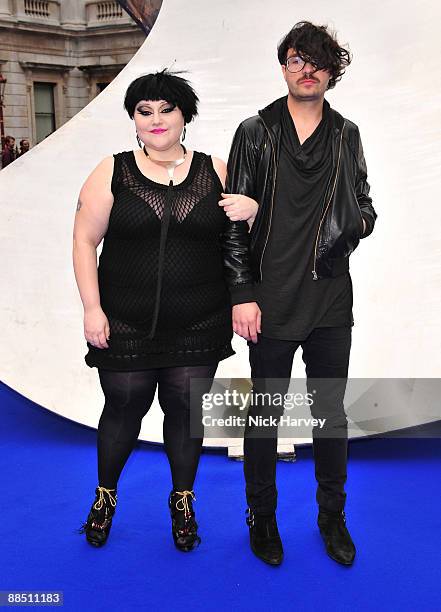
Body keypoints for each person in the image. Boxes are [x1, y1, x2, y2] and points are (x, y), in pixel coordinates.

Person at [72, 70, 251, 551]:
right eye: (144, 111)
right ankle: (105, 496)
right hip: (124, 321)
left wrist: (255, 210)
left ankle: (183, 499)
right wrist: (93, 308)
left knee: (185, 410)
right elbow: (85, 241)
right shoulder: (112, 170)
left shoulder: (217, 169)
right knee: (123, 409)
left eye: (166, 109)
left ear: (184, 116)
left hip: (200, 320)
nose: (156, 120)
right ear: (133, 118)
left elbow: (242, 237)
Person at [224, 21, 377, 566]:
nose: (306, 69)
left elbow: (365, 206)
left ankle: (332, 517)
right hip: (269, 296)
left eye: (318, 61)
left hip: (331, 296)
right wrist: (242, 293)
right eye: (297, 58)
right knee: (264, 415)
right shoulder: (254, 131)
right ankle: (261, 517)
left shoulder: (346, 134)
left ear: (332, 72)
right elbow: (233, 222)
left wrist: (348, 224)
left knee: (330, 413)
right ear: (283, 65)